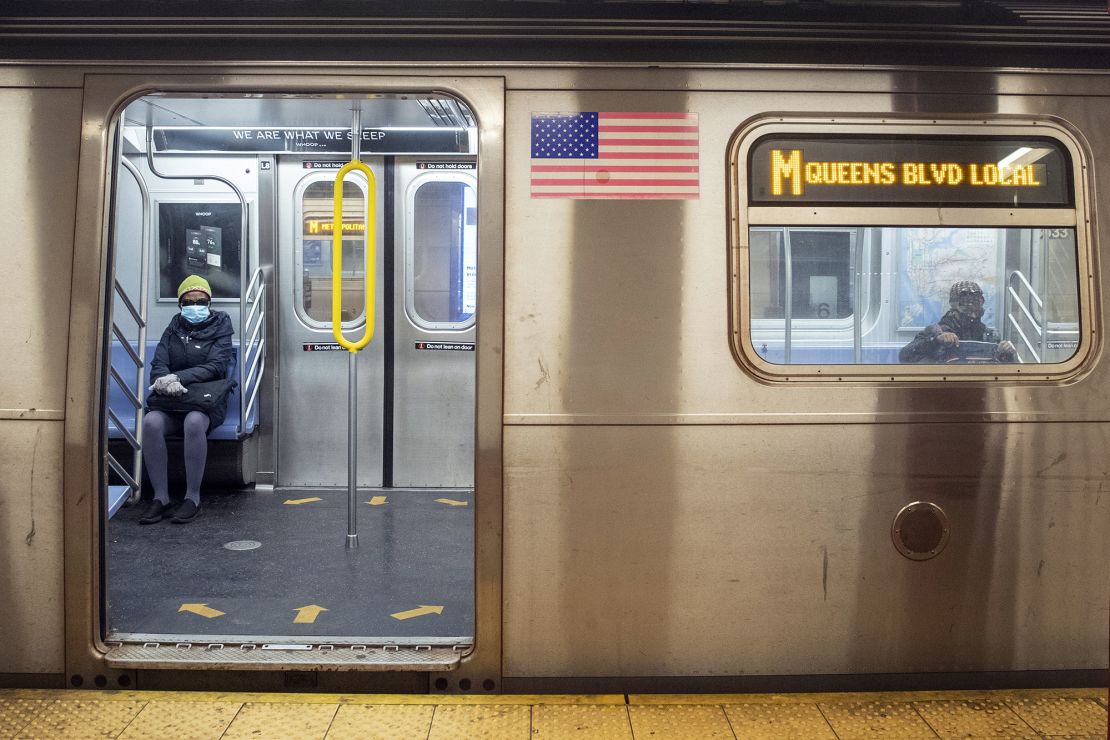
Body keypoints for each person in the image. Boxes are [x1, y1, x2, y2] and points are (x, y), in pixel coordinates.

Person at [139, 275, 234, 524]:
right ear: (180, 305)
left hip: (205, 402)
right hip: (172, 401)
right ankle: (161, 498)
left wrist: (177, 377)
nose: (195, 306)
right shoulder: (173, 329)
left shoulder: (222, 328)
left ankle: (193, 498)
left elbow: (216, 366)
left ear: (209, 302)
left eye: (200, 301)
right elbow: (159, 363)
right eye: (188, 302)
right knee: (151, 422)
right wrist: (164, 380)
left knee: (193, 422)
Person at [899, 280, 1017, 364]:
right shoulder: (936, 331)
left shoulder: (990, 336)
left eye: (976, 301)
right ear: (953, 304)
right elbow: (905, 356)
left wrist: (1006, 354)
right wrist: (935, 341)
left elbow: (1004, 369)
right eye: (964, 302)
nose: (970, 306)